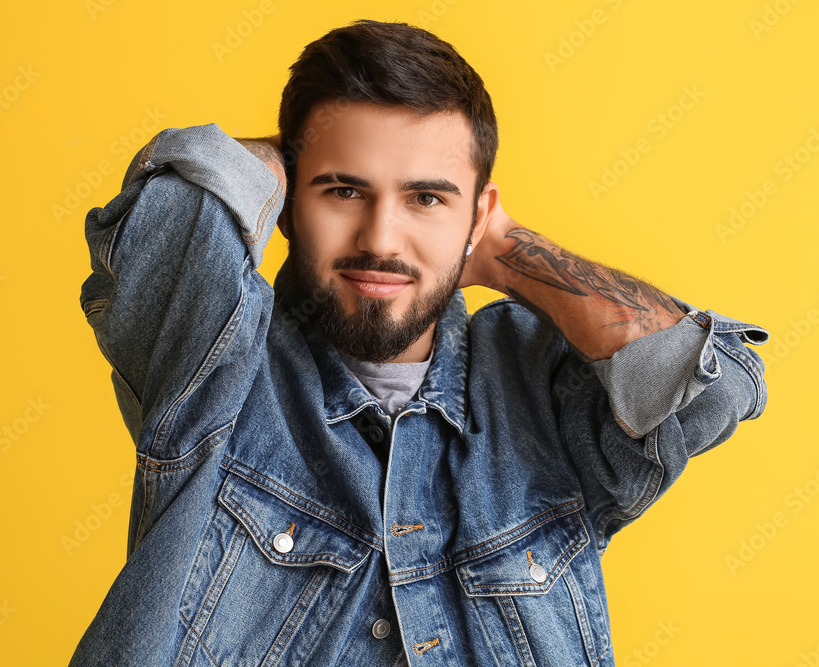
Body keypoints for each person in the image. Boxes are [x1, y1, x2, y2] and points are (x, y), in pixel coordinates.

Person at [70, 19, 768, 667]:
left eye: (426, 198)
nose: (380, 238)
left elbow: (710, 387)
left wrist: (502, 249)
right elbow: (165, 231)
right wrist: (274, 159)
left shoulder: (540, 392)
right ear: (285, 204)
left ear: (478, 211)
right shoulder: (213, 361)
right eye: (343, 190)